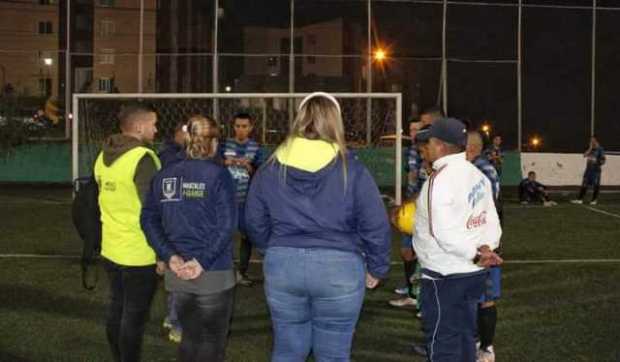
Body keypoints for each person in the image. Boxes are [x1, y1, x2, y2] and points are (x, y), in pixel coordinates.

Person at [245, 92, 391, 362]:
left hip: (283, 265)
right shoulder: (352, 168)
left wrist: (273, 247)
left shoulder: (270, 167)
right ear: (336, 122)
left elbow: (253, 220)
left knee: (287, 350)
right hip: (340, 267)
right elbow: (375, 223)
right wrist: (378, 266)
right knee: (334, 355)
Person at [141, 115, 236, 362]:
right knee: (211, 344)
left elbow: (148, 219)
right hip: (213, 273)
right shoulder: (219, 175)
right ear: (214, 143)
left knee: (190, 338)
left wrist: (170, 256)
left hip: (178, 273)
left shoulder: (165, 175)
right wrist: (201, 262)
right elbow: (227, 225)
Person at [413, 117, 503, 362]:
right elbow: (490, 220)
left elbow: (443, 233)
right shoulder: (477, 175)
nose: (425, 148)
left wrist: (476, 254)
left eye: (428, 142)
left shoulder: (439, 180)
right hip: (473, 273)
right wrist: (486, 248)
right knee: (465, 336)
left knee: (443, 344)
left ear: (441, 145)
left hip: (445, 277)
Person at [93, 103, 161, 362]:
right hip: (139, 253)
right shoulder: (142, 158)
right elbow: (152, 210)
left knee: (117, 308)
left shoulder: (103, 155)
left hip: (111, 248)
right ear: (140, 126)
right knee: (133, 317)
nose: (156, 129)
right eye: (153, 124)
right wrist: (162, 252)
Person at [466, 131, 504, 362]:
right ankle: (474, 341)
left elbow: (485, 210)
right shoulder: (468, 170)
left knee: (486, 295)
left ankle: (486, 347)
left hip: (483, 242)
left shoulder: (483, 171)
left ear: (470, 148)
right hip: (470, 240)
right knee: (471, 294)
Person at [220, 112, 266, 286]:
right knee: (225, 235)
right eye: (238, 126)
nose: (240, 130)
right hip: (226, 201)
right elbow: (215, 163)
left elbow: (261, 172)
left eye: (244, 126)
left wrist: (249, 166)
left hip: (246, 201)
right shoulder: (224, 145)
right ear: (233, 127)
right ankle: (226, 271)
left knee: (247, 236)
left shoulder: (257, 147)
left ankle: (241, 272)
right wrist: (225, 163)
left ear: (251, 128)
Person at [157, 121, 189, 343]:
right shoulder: (170, 155)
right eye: (185, 131)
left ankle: (171, 316)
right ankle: (177, 324)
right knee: (180, 276)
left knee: (174, 273)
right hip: (175, 218)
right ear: (177, 132)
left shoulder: (173, 153)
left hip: (173, 218)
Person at [389, 120, 424, 308]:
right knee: (406, 251)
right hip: (410, 206)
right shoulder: (410, 151)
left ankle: (418, 295)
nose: (413, 133)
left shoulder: (428, 152)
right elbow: (410, 179)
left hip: (421, 207)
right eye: (410, 129)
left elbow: (424, 184)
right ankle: (411, 287)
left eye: (417, 129)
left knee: (420, 252)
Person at [571, 136, 606, 205]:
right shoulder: (590, 149)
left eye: (593, 141)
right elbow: (584, 155)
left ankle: (594, 200)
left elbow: (603, 161)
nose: (591, 142)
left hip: (596, 171)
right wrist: (590, 149)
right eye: (590, 141)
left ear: (596, 141)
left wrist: (596, 161)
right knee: (584, 184)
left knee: (596, 185)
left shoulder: (600, 149)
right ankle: (579, 199)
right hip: (588, 170)